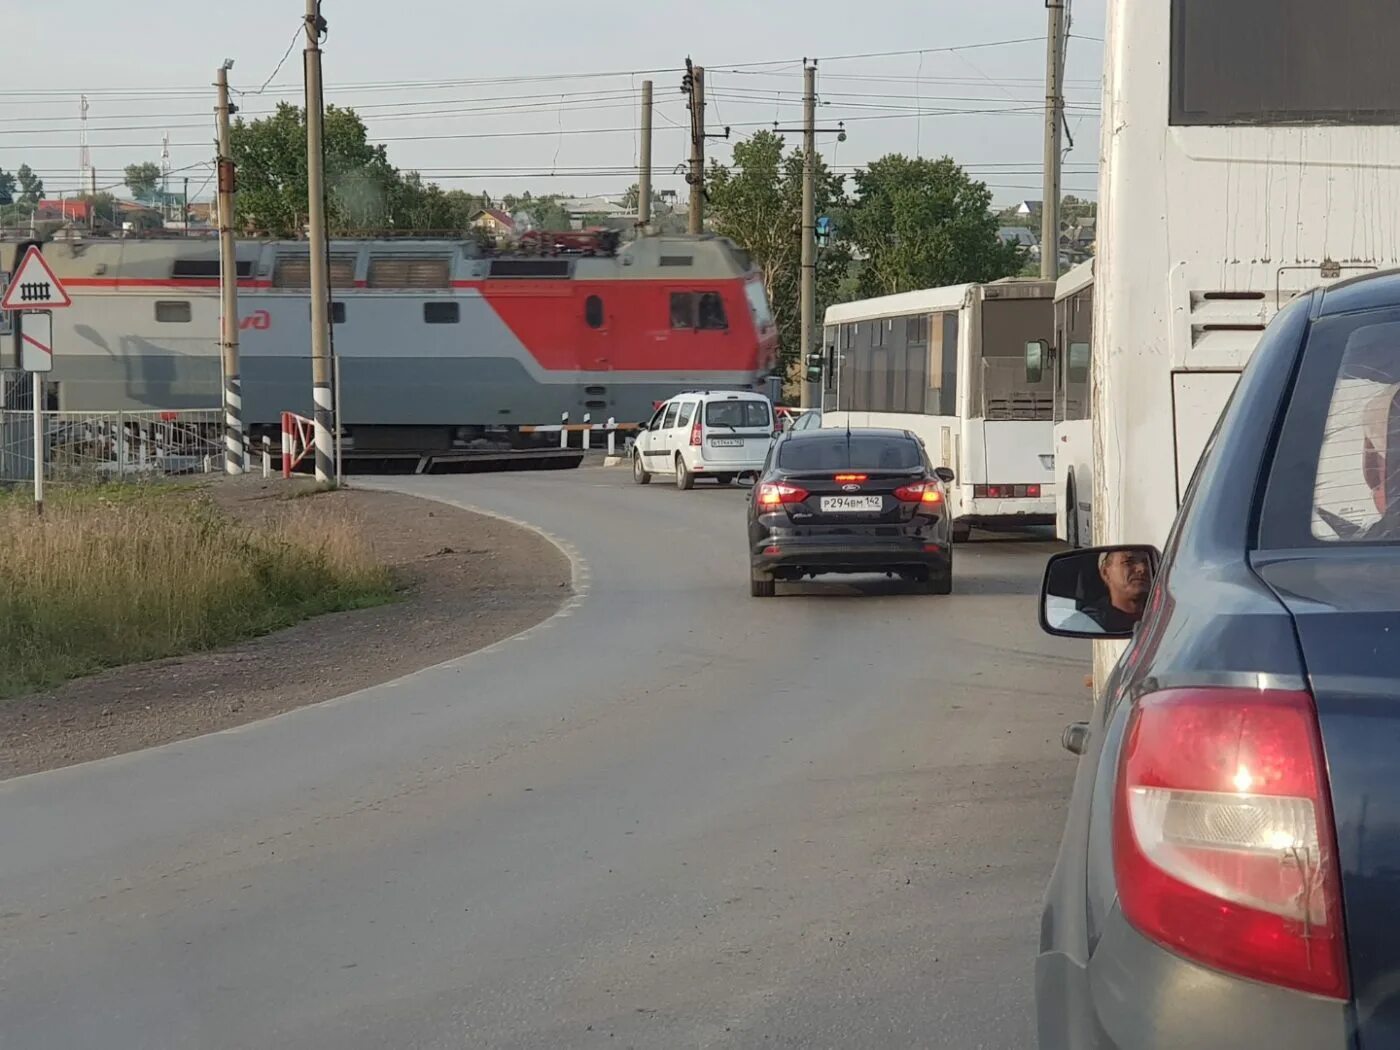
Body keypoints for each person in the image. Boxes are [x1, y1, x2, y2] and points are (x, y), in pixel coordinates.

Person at [1080, 549, 1152, 632]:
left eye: (1147, 562)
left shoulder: (1162, 612)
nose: (1142, 568)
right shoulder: (1090, 622)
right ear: (1105, 573)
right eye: (1128, 562)